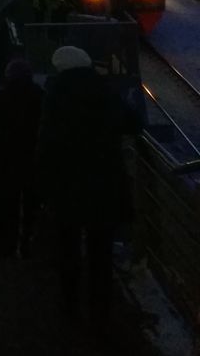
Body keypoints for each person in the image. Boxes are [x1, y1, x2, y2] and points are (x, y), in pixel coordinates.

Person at [37, 45, 141, 327]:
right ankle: (100, 312)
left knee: (68, 248)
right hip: (103, 184)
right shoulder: (104, 91)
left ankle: (69, 305)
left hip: (66, 185)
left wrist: (43, 184)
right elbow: (132, 122)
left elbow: (46, 144)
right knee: (101, 252)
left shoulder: (54, 95)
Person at [0, 57, 44, 257]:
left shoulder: (1, 98)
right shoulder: (39, 95)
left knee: (7, 204)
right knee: (31, 204)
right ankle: (27, 242)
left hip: (7, 159)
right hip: (33, 158)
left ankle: (7, 244)